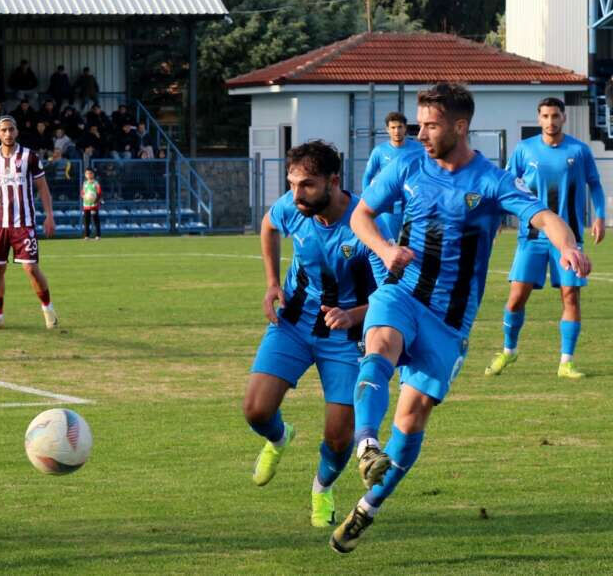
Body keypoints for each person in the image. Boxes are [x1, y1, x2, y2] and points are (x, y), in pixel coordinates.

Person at [329, 83, 590, 554]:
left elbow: (544, 217)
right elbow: (361, 216)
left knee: (412, 416)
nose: (420, 132)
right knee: (380, 344)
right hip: (401, 294)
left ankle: (369, 506)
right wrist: (386, 249)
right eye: (419, 123)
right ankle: (366, 445)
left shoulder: (490, 181)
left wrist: (567, 244)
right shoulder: (407, 164)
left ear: (459, 126)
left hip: (449, 322)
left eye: (430, 125)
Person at [244, 140, 389, 530]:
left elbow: (391, 294)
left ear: (333, 181)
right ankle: (279, 438)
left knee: (340, 437)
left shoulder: (367, 223)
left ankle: (321, 487)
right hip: (293, 323)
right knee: (256, 411)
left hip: (345, 337)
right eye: (292, 184)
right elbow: (269, 225)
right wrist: (273, 283)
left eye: (306, 184)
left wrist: (353, 313)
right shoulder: (294, 206)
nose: (296, 194)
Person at [485, 97, 606, 379]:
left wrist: (600, 216)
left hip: (569, 240)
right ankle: (508, 351)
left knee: (571, 297)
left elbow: (595, 185)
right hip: (532, 237)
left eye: (555, 116)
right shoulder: (524, 150)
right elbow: (504, 187)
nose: (550, 121)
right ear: (538, 119)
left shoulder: (579, 150)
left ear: (563, 118)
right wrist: (496, 219)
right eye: (545, 116)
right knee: (516, 299)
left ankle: (566, 361)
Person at [0, 116, 58, 330]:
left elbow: (42, 187)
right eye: (4, 130)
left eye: (11, 129)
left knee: (30, 268)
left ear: (16, 131)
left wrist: (49, 215)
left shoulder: (29, 156)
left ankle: (48, 310)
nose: (8, 133)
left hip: (24, 223)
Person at [360, 112, 423, 237]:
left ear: (405, 128)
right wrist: (366, 200)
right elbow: (367, 176)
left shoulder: (418, 149)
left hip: (412, 208)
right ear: (387, 130)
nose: (397, 131)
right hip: (388, 210)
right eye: (393, 128)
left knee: (412, 246)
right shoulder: (379, 151)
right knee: (390, 244)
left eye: (400, 127)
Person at [81, 168, 102, 240]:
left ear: (93, 174)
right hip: (86, 205)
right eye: (87, 173)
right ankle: (86, 235)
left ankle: (98, 235)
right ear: (85, 175)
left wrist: (96, 200)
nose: (89, 175)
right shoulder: (85, 183)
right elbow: (82, 192)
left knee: (95, 219)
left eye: (90, 173)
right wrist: (84, 196)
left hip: (94, 205)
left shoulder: (96, 183)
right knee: (86, 220)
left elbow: (99, 193)